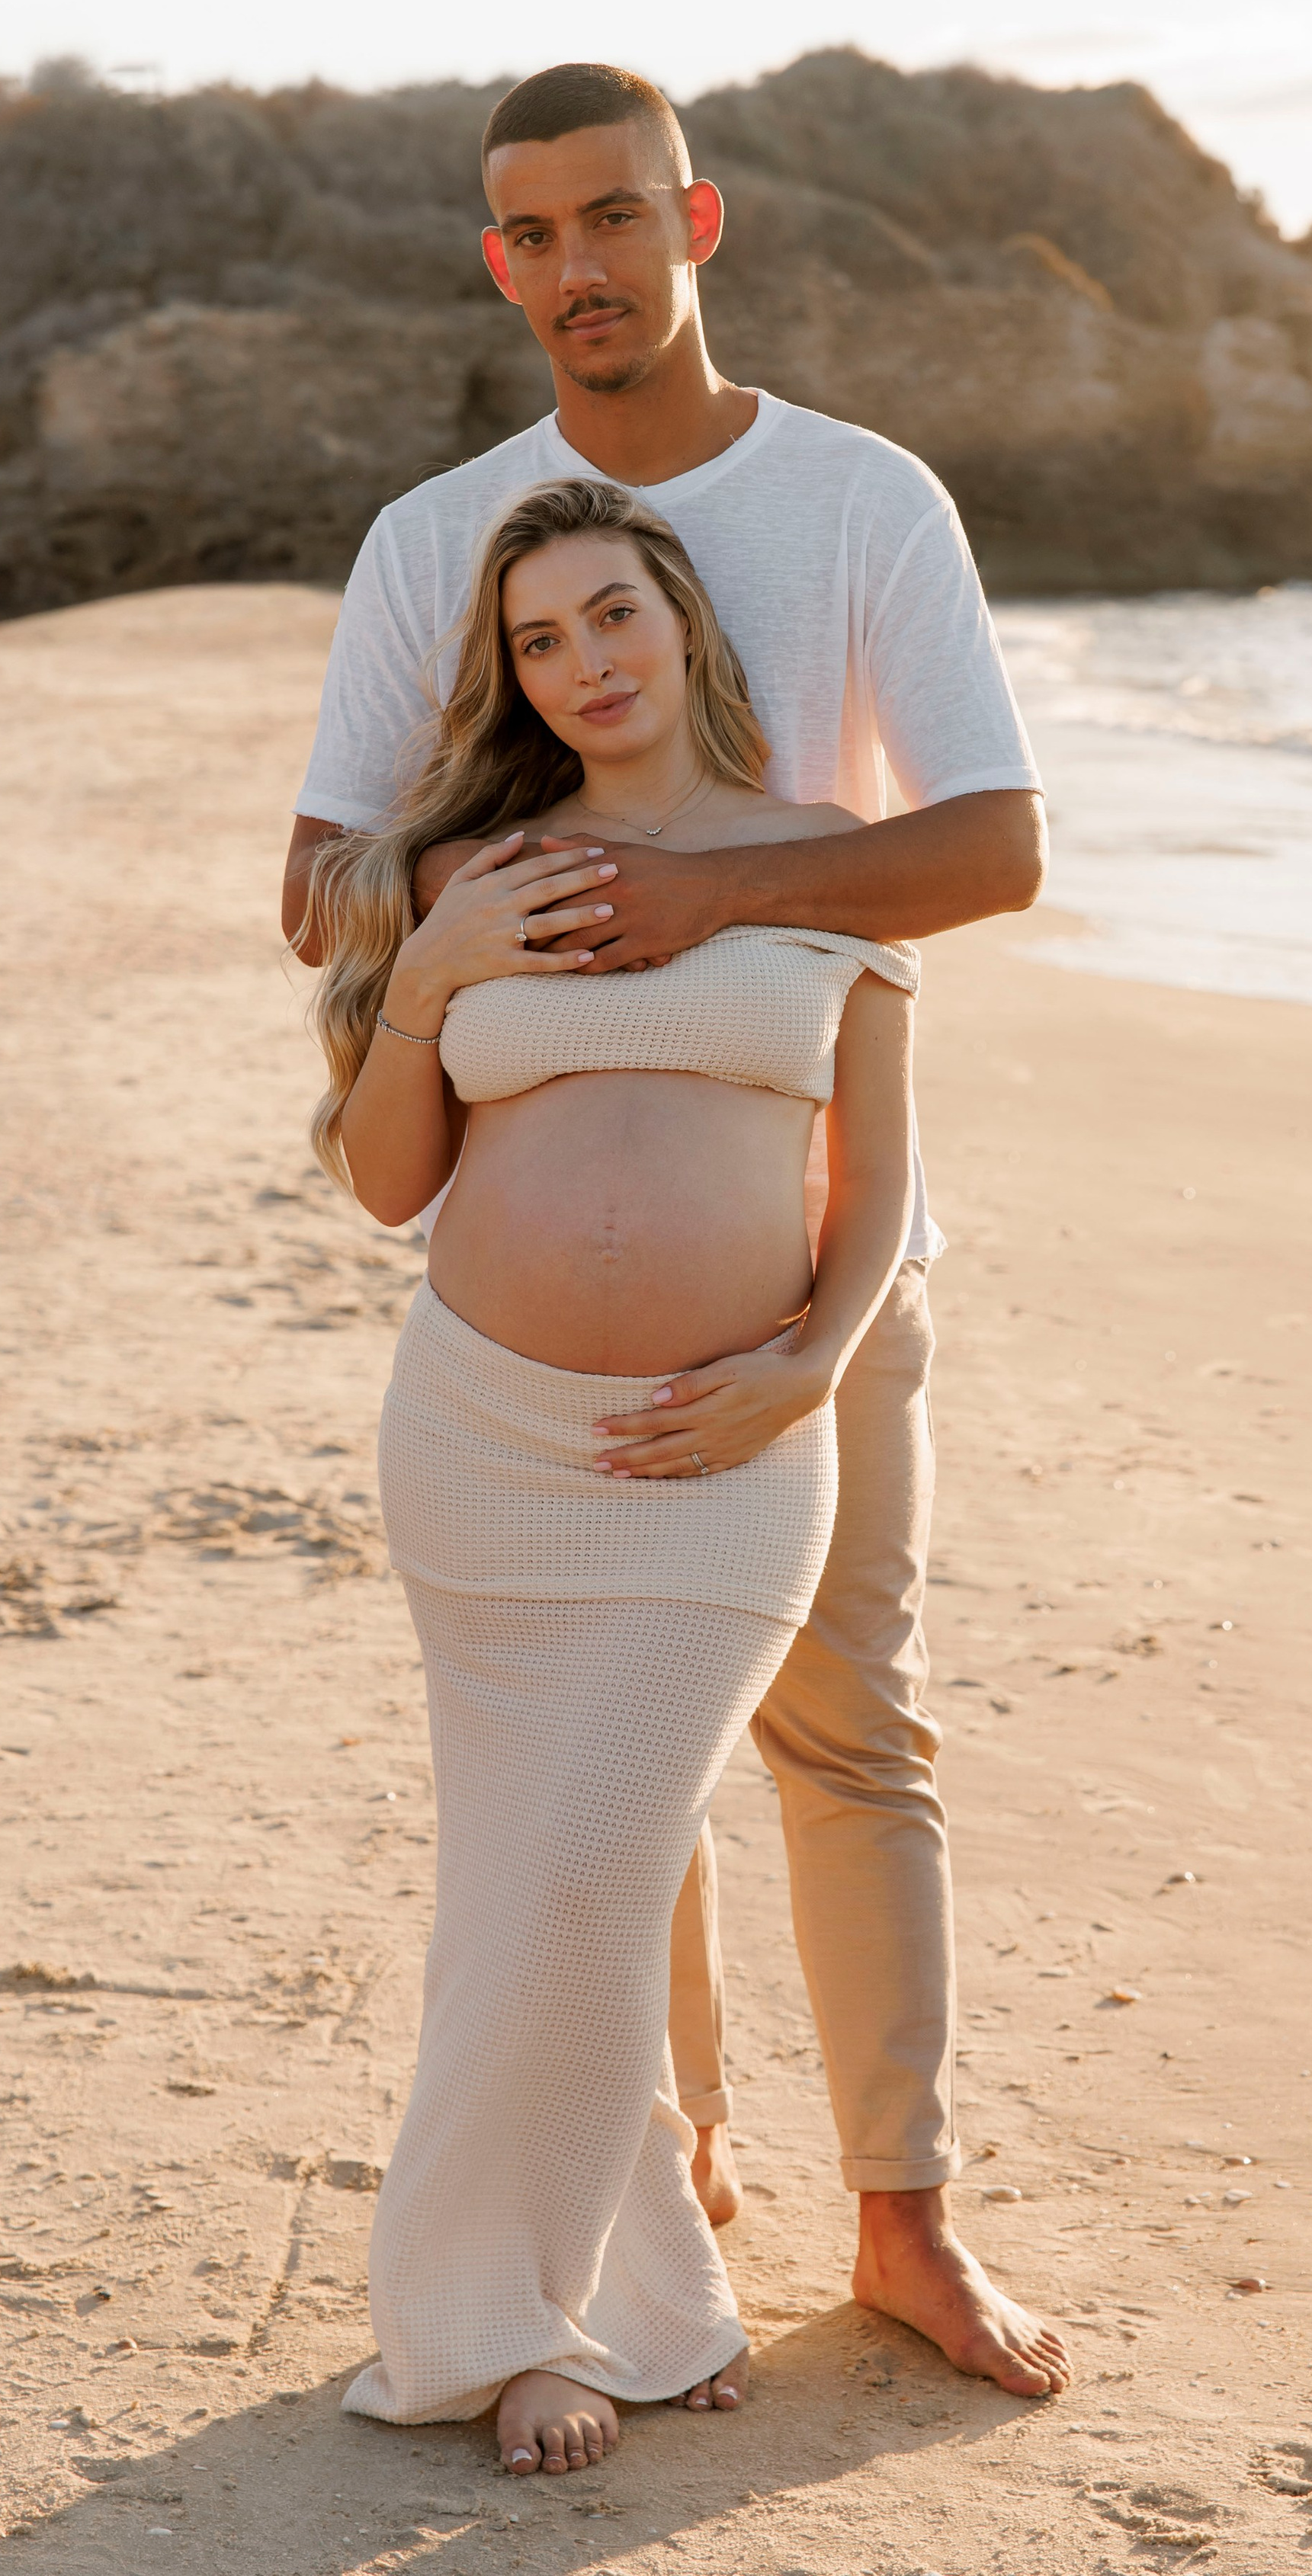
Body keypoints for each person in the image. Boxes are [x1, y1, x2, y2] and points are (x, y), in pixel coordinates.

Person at [285, 60, 1066, 2401]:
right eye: (530, 234)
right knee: (619, 1773)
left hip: (816, 1242)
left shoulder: (859, 498)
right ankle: (670, 2180)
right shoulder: (446, 537)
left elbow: (993, 846)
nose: (578, 266)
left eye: (614, 216)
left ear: (695, 218)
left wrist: (706, 890)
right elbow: (321, 874)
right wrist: (485, 900)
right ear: (498, 264)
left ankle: (905, 2221)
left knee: (851, 1727)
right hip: (517, 1355)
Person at [316, 474, 923, 2465]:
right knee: (548, 1882)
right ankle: (615, 2304)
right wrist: (424, 969)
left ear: (686, 621)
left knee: (583, 1870)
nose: (584, 664)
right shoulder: (473, 871)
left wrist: (810, 1377)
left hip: (729, 1458)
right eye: (539, 642)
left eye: (611, 616)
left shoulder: (835, 862)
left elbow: (880, 1183)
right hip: (486, 1444)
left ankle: (513, 2316)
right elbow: (393, 1179)